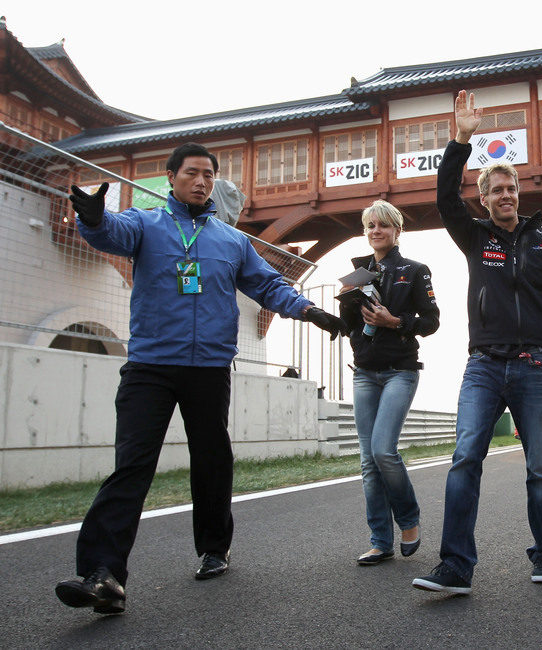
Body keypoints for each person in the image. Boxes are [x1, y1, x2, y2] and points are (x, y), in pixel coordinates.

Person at [55, 143, 347, 614]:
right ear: (171, 178)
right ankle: (102, 574)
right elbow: (110, 233)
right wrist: (92, 219)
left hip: (209, 369)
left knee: (212, 459)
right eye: (191, 173)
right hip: (150, 367)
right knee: (131, 466)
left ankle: (214, 549)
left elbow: (268, 285)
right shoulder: (145, 224)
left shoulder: (230, 241)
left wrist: (309, 310)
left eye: (209, 175)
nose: (201, 182)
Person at [412, 90, 542, 595]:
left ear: (519, 193)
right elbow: (444, 198)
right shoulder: (475, 237)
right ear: (485, 197)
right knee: (465, 458)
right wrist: (461, 140)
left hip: (536, 367)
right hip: (484, 367)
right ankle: (455, 567)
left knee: (540, 465)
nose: (503, 196)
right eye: (494, 190)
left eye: (510, 188)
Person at [339, 200, 440, 566]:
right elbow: (347, 322)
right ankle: (380, 541)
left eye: (383, 225)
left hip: (400, 370)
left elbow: (431, 321)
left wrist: (394, 322)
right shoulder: (356, 274)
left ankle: (409, 520)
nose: (376, 231)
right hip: (364, 373)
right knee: (368, 461)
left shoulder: (415, 271)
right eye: (370, 226)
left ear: (397, 230)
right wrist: (358, 337)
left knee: (383, 451)